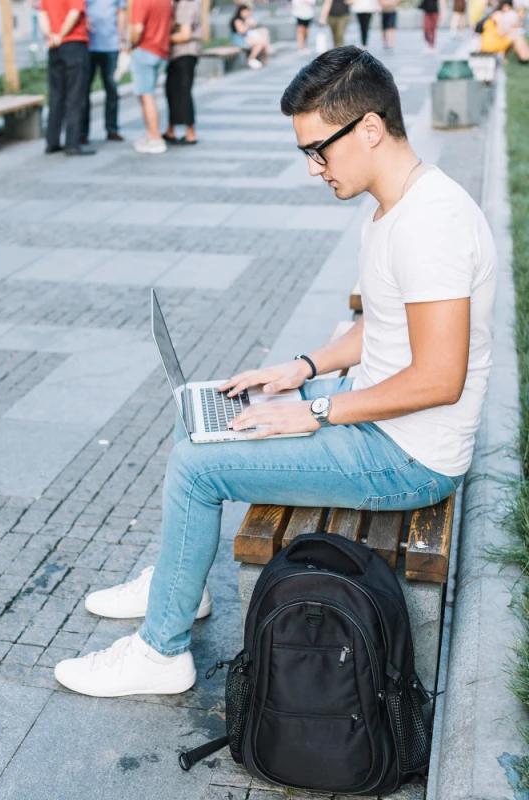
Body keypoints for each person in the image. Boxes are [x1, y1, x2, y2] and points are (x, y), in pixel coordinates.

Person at [53, 46, 496, 700]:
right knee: (207, 404)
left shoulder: (431, 223)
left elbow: (438, 378)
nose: (315, 168)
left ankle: (160, 651)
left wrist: (313, 411)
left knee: (198, 466)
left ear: (369, 128)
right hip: (375, 417)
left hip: (409, 457)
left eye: (319, 149)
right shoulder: (396, 205)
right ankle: (183, 577)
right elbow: (386, 323)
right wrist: (301, 369)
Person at [39, 0, 95, 155]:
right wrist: (60, 35)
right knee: (75, 95)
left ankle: (52, 141)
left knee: (56, 95)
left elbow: (42, 14)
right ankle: (72, 143)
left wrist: (50, 35)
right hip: (73, 44)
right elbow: (74, 13)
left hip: (54, 47)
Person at [129, 0, 173, 154]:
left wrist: (131, 44)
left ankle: (155, 137)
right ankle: (150, 133)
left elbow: (137, 29)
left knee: (146, 96)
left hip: (145, 49)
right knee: (149, 94)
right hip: (162, 51)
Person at [81, 0, 127, 144]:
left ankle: (112, 129)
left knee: (112, 88)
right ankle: (82, 132)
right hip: (88, 45)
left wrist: (122, 40)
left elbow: (121, 12)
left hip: (111, 45)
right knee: (83, 90)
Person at [164, 0, 202, 145]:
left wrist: (163, 38)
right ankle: (171, 130)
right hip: (184, 54)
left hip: (183, 53)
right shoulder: (192, 3)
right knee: (173, 91)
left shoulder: (186, 4)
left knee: (182, 92)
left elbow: (185, 34)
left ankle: (190, 133)